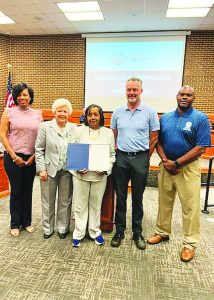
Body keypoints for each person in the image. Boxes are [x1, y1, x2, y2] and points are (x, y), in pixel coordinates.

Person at [147, 85, 211, 262]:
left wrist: (177, 163)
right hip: (166, 165)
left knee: (190, 207)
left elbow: (201, 147)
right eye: (182, 94)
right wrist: (166, 161)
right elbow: (157, 141)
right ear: (176, 96)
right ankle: (162, 232)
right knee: (164, 202)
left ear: (193, 98)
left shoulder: (200, 118)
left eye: (189, 95)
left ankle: (190, 244)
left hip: (187, 168)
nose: (185, 97)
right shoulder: (166, 118)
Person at [110, 77, 160, 250]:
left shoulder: (150, 112)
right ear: (125, 91)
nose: (131, 93)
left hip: (140, 158)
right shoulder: (117, 112)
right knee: (121, 197)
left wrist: (146, 157)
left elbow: (154, 137)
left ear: (141, 91)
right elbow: (114, 135)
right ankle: (120, 231)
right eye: (129, 89)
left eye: (135, 90)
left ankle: (137, 232)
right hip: (121, 158)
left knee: (138, 197)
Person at [0, 82, 42, 237]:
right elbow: (3, 135)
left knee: (28, 190)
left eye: (25, 94)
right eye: (19, 95)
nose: (22, 97)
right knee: (16, 190)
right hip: (13, 156)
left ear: (30, 97)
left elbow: (40, 137)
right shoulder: (8, 112)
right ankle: (15, 224)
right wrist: (14, 156)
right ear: (15, 97)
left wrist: (33, 156)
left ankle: (27, 222)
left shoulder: (37, 114)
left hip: (31, 157)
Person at [71, 104, 115, 247]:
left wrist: (106, 169)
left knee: (96, 205)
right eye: (90, 114)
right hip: (80, 176)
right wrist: (77, 167)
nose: (93, 117)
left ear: (101, 116)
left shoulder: (108, 133)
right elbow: (71, 152)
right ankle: (78, 232)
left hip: (99, 177)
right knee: (79, 205)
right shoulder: (78, 131)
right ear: (86, 117)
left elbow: (112, 155)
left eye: (96, 114)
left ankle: (95, 232)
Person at [35, 99, 77, 239]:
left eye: (65, 111)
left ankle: (63, 228)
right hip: (48, 170)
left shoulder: (74, 128)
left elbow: (77, 148)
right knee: (48, 200)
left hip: (67, 170)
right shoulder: (45, 127)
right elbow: (39, 149)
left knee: (65, 201)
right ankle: (48, 228)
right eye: (59, 110)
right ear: (54, 112)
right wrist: (41, 169)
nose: (62, 113)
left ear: (69, 113)